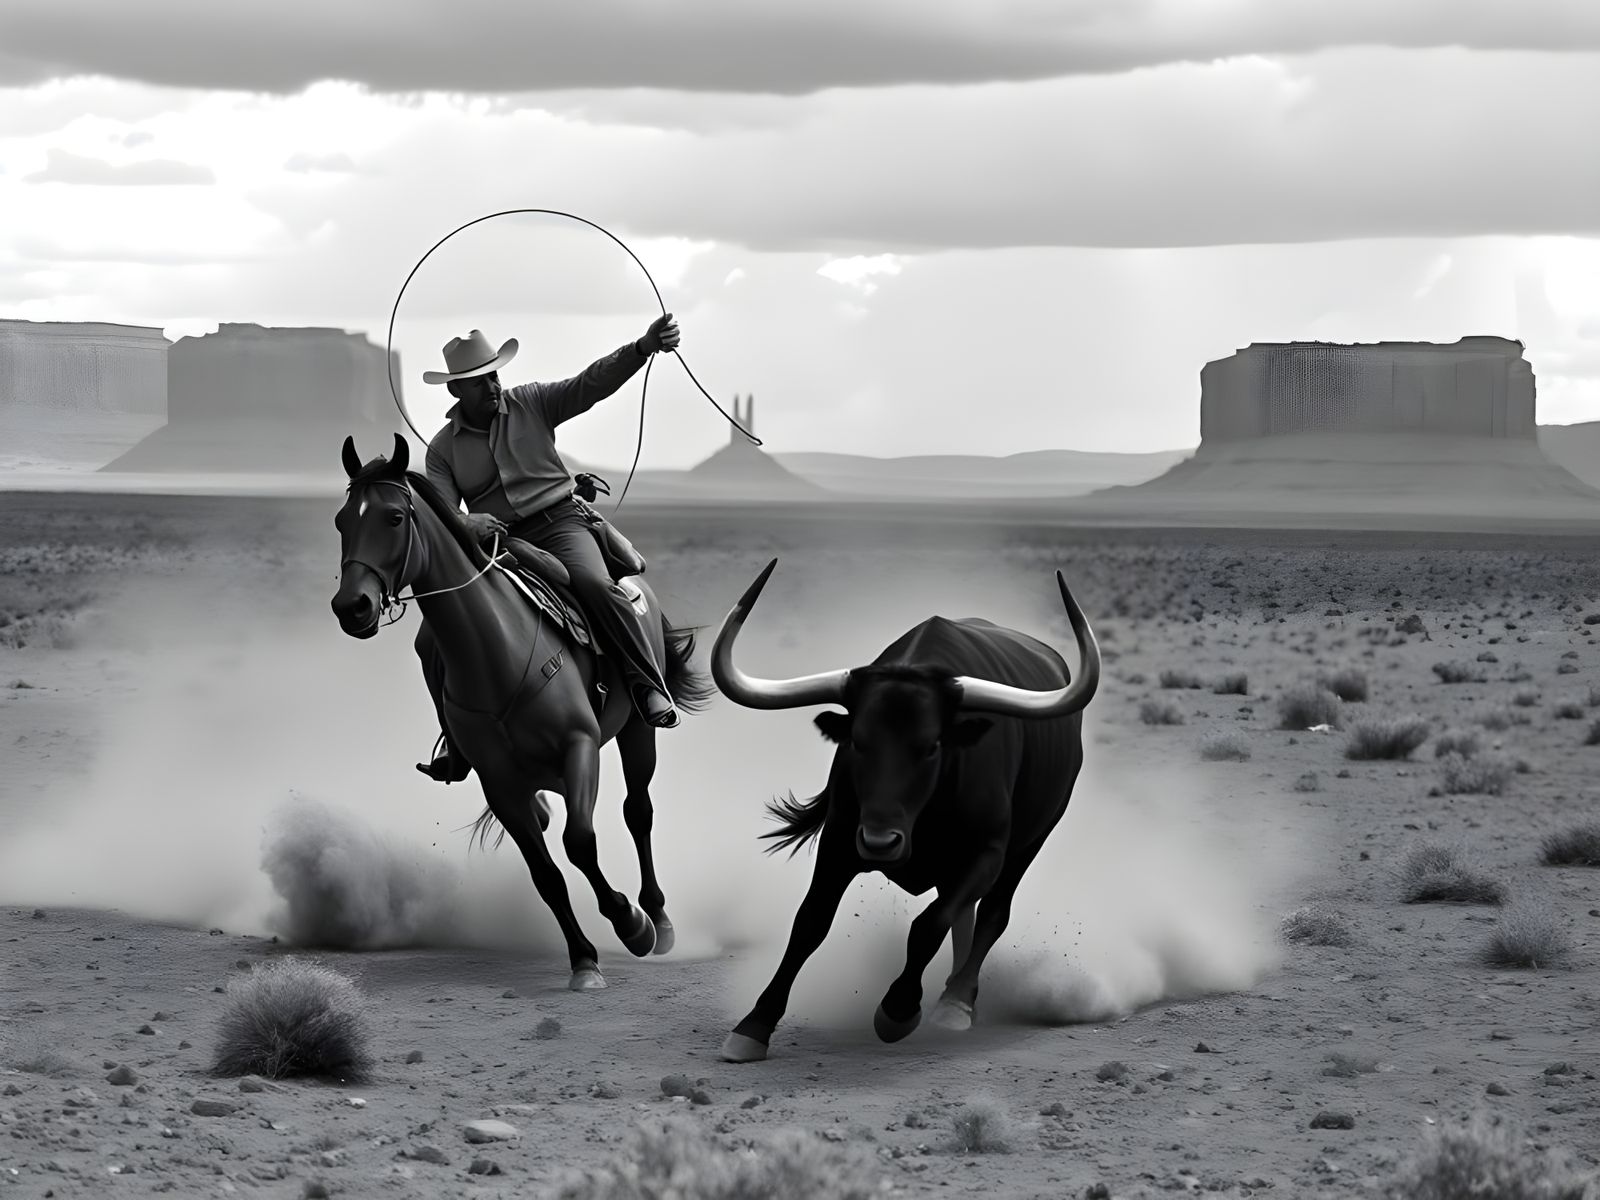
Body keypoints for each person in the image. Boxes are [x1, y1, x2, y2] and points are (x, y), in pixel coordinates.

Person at [413, 316, 682, 784]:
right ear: (457, 391)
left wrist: (642, 347)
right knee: (428, 639)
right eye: (479, 381)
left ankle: (646, 685)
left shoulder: (532, 402)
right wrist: (465, 521)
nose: (493, 386)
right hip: (498, 545)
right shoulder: (442, 450)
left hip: (560, 524)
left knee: (596, 586)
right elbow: (440, 513)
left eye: (494, 375)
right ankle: (455, 741)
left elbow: (589, 384)